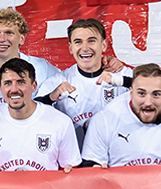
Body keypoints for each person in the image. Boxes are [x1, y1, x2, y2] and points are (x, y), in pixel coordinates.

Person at [0, 59, 82, 172]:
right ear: (1, 88)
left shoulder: (61, 122)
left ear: (34, 86)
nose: (14, 89)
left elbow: (69, 174)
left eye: (21, 82)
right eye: (7, 83)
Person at [47, 19, 132, 148]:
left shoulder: (122, 74)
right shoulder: (58, 81)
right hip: (77, 163)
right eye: (78, 42)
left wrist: (123, 82)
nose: (85, 48)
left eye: (91, 41)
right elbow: (30, 114)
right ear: (70, 48)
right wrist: (50, 98)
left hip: (119, 159)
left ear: (103, 45)